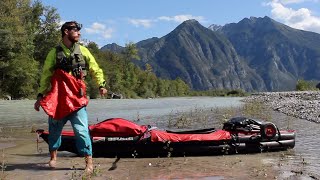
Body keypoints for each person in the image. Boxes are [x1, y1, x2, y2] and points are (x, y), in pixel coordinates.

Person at [34, 21, 107, 174]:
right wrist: (40, 96)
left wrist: (101, 84)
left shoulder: (84, 51)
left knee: (81, 131)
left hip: (77, 100)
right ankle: (53, 159)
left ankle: (89, 163)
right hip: (59, 100)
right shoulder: (54, 53)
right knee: (54, 130)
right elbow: (46, 75)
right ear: (66, 31)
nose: (79, 33)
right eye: (76, 30)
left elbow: (95, 69)